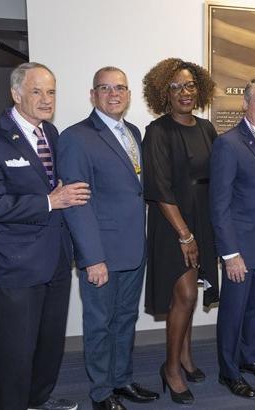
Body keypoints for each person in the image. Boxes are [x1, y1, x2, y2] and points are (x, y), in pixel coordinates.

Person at [0, 62, 89, 410]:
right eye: (37, 91)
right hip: (16, 266)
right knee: (14, 351)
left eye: (51, 92)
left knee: (49, 345)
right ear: (16, 94)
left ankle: (37, 401)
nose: (46, 99)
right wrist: (49, 201)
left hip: (57, 260)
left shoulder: (53, 134)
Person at [58, 67, 157, 410]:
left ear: (129, 95)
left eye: (120, 88)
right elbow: (76, 205)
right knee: (99, 324)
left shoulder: (132, 132)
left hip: (133, 249)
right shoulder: (75, 137)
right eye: (105, 88)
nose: (114, 94)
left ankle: (122, 380)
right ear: (93, 94)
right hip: (101, 253)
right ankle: (101, 393)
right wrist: (91, 257)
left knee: (126, 319)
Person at [141, 58, 219, 405]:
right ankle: (170, 368)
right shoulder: (157, 131)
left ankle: (186, 356)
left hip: (203, 218)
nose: (184, 92)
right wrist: (185, 235)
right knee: (185, 295)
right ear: (164, 94)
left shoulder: (206, 129)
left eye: (189, 85)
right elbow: (158, 187)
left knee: (190, 294)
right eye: (175, 87)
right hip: (173, 222)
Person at [210, 77, 255, 398]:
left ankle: (249, 358)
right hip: (240, 251)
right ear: (245, 104)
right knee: (233, 313)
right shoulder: (228, 144)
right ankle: (229, 371)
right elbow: (219, 204)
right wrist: (229, 253)